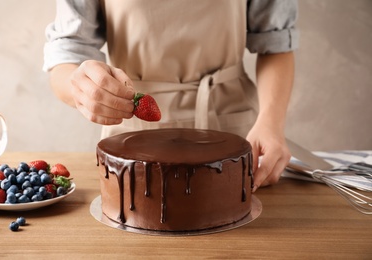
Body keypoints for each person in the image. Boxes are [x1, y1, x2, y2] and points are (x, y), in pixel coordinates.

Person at [43, 0, 299, 192]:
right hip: (132, 134)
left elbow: (275, 43)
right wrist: (81, 88)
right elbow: (68, 54)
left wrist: (272, 123)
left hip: (235, 130)